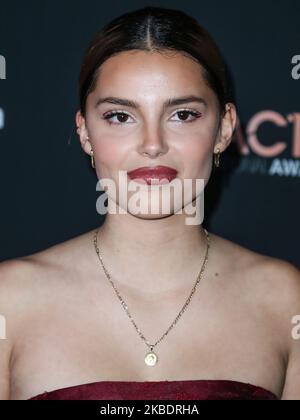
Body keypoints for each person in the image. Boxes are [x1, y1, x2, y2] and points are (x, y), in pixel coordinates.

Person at [0, 6, 299, 401]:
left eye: (183, 114)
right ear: (85, 132)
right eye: (121, 116)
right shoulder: (10, 299)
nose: (152, 144)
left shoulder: (284, 299)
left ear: (224, 129)